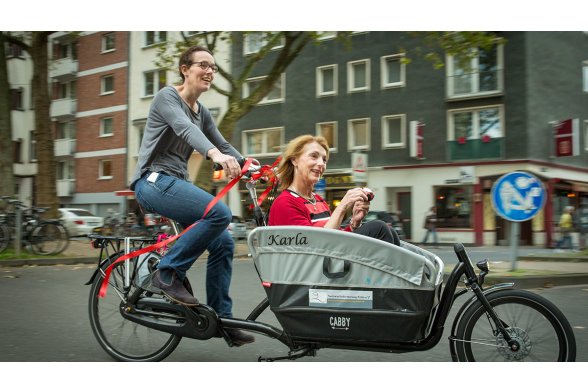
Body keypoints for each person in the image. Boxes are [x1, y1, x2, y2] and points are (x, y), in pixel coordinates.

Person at [130, 45, 254, 346]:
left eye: (213, 66)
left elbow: (223, 144)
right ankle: (166, 272)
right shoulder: (166, 97)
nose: (209, 71)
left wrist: (249, 164)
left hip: (176, 185)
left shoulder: (203, 112)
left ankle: (222, 319)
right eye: (203, 65)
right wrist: (212, 153)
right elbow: (185, 129)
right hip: (153, 181)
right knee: (220, 213)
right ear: (185, 69)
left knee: (224, 241)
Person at [268, 135, 399, 245]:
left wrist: (354, 224)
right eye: (314, 156)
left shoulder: (319, 201)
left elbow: (336, 237)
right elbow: (312, 245)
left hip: (329, 261)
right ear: (294, 160)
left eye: (324, 159)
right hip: (313, 270)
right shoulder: (285, 202)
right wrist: (342, 206)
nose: (321, 164)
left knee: (390, 231)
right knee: (379, 228)